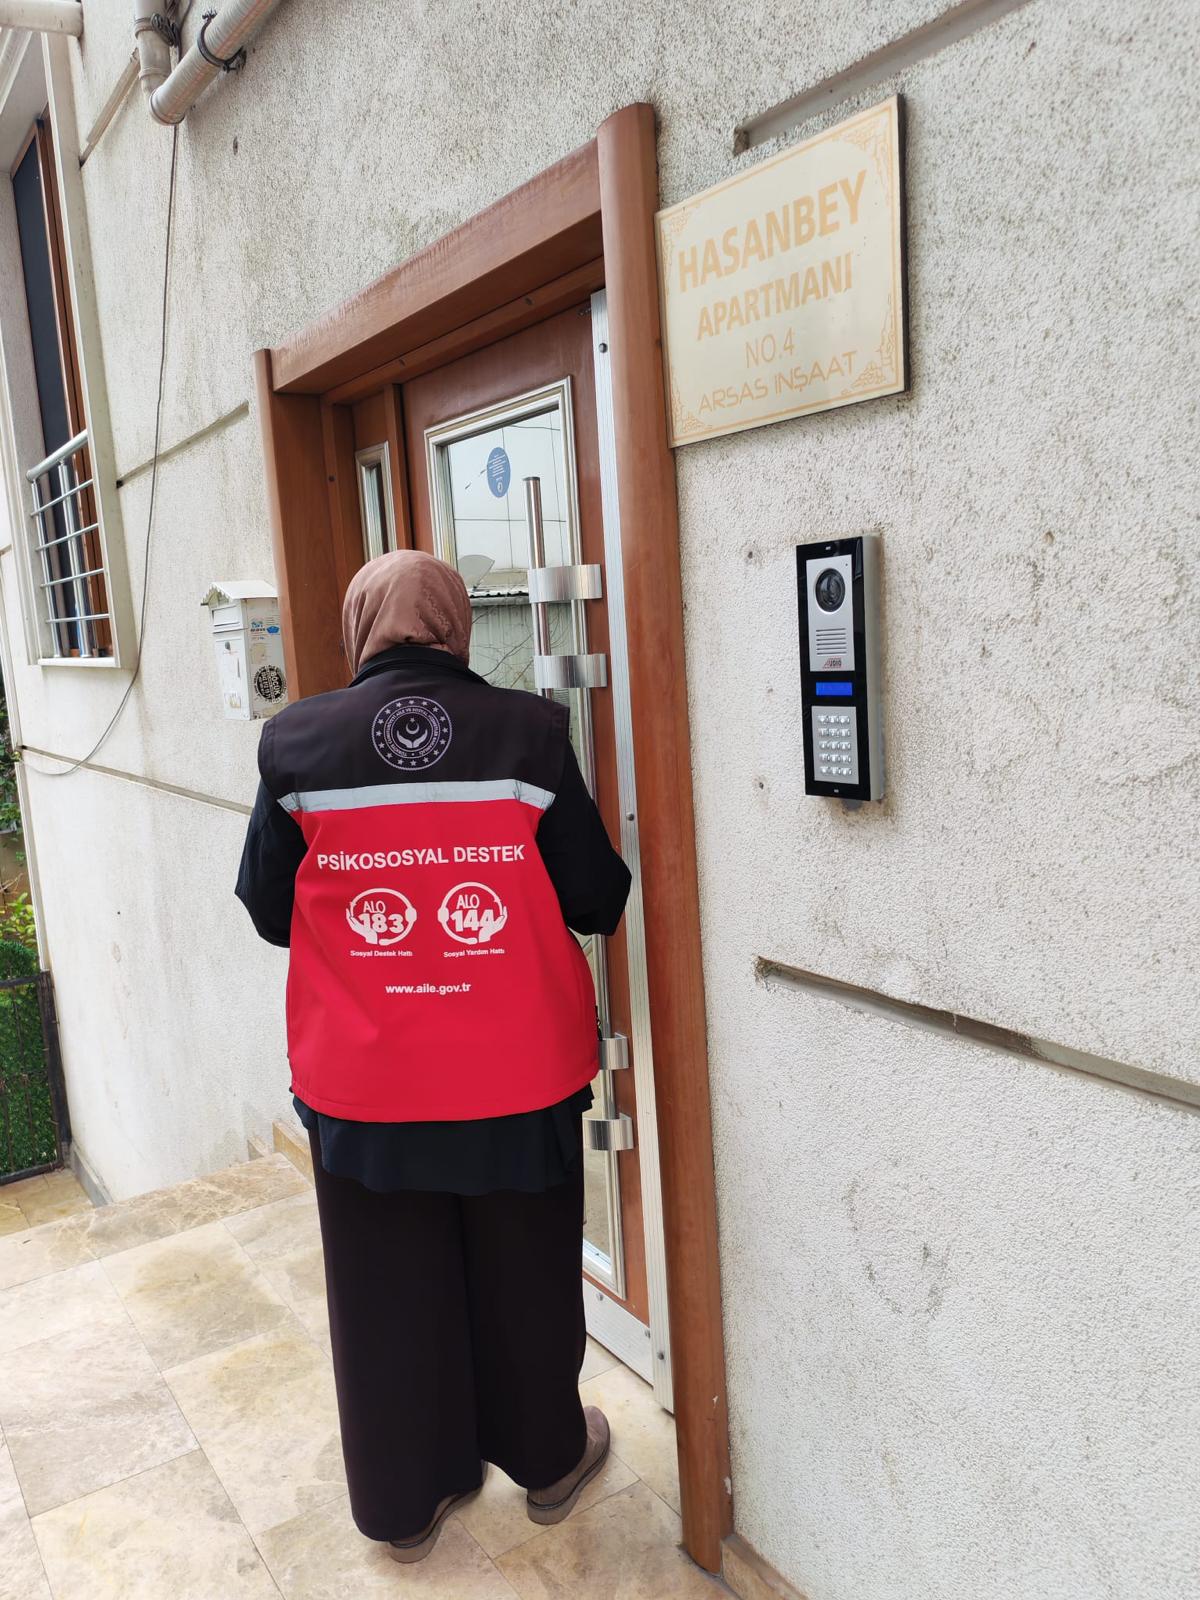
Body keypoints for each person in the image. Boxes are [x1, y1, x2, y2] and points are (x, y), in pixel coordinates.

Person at [235, 549, 632, 1562]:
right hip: (517, 1075)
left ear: (358, 625)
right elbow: (596, 895)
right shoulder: (530, 733)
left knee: (385, 1294)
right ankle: (549, 1462)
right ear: (457, 624)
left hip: (365, 1084)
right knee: (524, 1276)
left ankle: (406, 1505)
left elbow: (269, 910)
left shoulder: (297, 743)